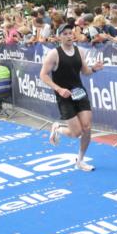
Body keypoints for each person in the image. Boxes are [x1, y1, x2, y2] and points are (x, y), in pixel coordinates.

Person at [40, 23, 103, 171]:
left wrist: (94, 69)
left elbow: (85, 71)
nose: (69, 36)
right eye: (65, 34)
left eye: (70, 33)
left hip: (79, 93)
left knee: (87, 127)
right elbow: (43, 75)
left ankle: (80, 160)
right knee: (76, 133)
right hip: (64, 96)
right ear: (59, 37)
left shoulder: (79, 51)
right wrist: (59, 89)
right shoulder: (54, 54)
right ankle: (58, 128)